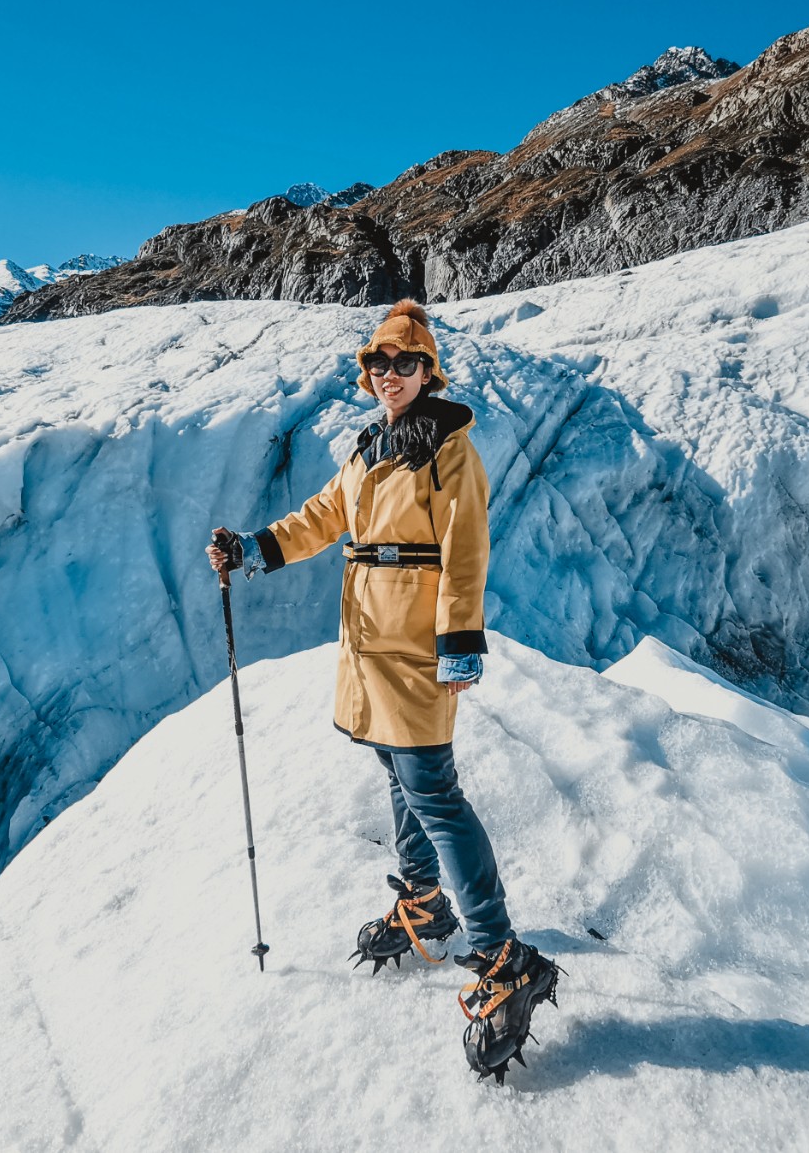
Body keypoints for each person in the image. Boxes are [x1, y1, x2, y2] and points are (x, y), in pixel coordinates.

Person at [206, 298, 558, 1083]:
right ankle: (426, 900)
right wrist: (254, 547)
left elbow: (465, 548)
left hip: (415, 649)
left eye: (404, 363)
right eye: (377, 364)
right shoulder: (368, 449)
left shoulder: (449, 451)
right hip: (369, 650)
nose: (389, 375)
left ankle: (504, 952)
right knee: (399, 774)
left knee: (433, 790)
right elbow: (322, 517)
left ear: (428, 370)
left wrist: (460, 638)